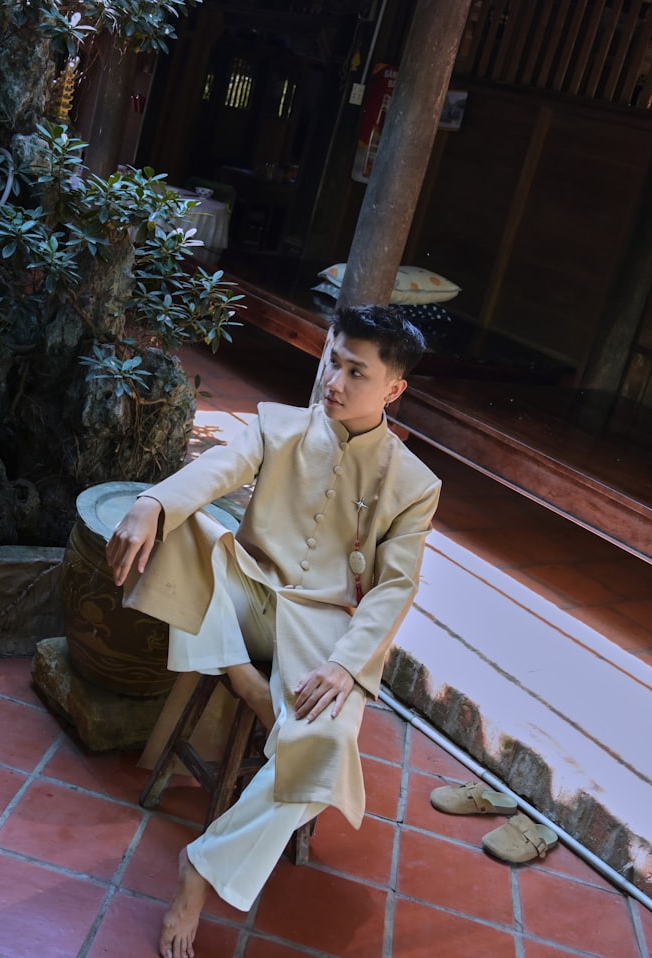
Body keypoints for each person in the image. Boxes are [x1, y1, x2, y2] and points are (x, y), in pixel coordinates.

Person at [105, 304, 441, 958]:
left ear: (393, 388)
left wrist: (346, 666)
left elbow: (396, 587)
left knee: (325, 748)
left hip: (324, 631)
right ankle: (244, 680)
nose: (333, 382)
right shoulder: (276, 426)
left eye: (356, 372)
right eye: (332, 361)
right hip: (247, 590)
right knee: (184, 532)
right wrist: (152, 501)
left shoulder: (415, 485)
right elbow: (216, 470)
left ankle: (203, 867)